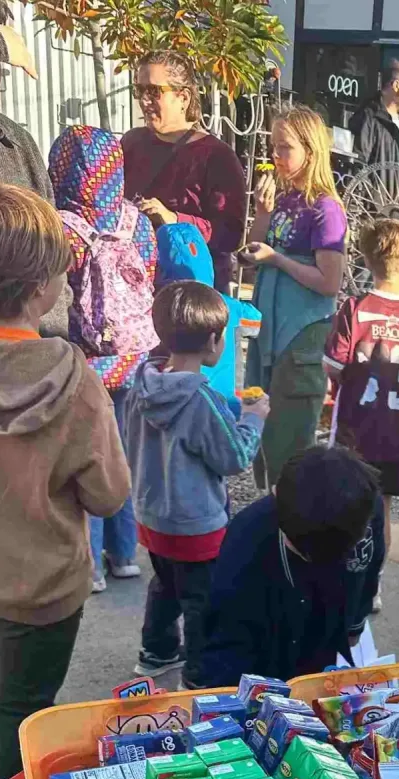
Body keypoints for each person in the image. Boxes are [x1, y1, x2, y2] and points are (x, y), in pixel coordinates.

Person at [0, 184, 130, 779]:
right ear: (40, 285)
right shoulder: (73, 378)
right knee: (21, 722)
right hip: (44, 593)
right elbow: (108, 496)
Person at [123, 280, 269, 688]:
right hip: (197, 524)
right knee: (202, 602)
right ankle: (200, 676)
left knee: (166, 585)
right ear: (212, 341)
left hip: (152, 515)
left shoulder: (142, 384)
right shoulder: (201, 400)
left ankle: (156, 651)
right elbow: (235, 456)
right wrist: (255, 417)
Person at [49, 124, 160, 593]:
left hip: (86, 360)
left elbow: (55, 297)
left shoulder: (62, 229)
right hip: (136, 357)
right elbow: (151, 276)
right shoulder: (137, 222)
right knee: (124, 457)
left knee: (85, 458)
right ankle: (125, 554)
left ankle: (90, 564)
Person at [323, 218, 399, 611]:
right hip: (394, 435)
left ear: (367, 261)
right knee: (381, 508)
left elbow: (332, 366)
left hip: (354, 432)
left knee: (343, 503)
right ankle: (373, 585)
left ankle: (343, 578)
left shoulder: (354, 309)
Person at [201, 447, 385, 687]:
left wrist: (354, 625)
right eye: (303, 553)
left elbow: (369, 569)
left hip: (332, 629)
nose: (314, 561)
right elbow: (227, 638)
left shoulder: (365, 506)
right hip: (269, 653)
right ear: (277, 497)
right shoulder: (246, 539)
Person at [241, 105, 347, 487]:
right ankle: (269, 510)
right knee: (264, 424)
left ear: (311, 151)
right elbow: (255, 252)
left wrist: (278, 260)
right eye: (273, 146)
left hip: (301, 335)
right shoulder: (285, 199)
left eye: (284, 147)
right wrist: (263, 212)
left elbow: (329, 282)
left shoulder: (326, 210)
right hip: (269, 331)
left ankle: (291, 524)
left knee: (290, 435)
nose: (275, 155)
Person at [122, 50, 247, 290]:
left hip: (190, 295)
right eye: (139, 90)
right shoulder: (131, 143)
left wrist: (174, 220)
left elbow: (230, 234)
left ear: (184, 98)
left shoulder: (216, 156)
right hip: (133, 288)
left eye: (154, 91)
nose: (144, 101)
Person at [0, 14, 70, 337]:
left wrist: (55, 342)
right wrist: (2, 42)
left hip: (26, 351)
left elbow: (51, 249)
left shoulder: (16, 143)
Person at [154, 221, 261, 407]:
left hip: (176, 403)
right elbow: (258, 323)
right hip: (227, 404)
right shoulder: (229, 307)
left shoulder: (160, 310)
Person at [350, 60, 399, 211]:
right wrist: (372, 213)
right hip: (379, 222)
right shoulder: (369, 119)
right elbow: (358, 169)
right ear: (396, 85)